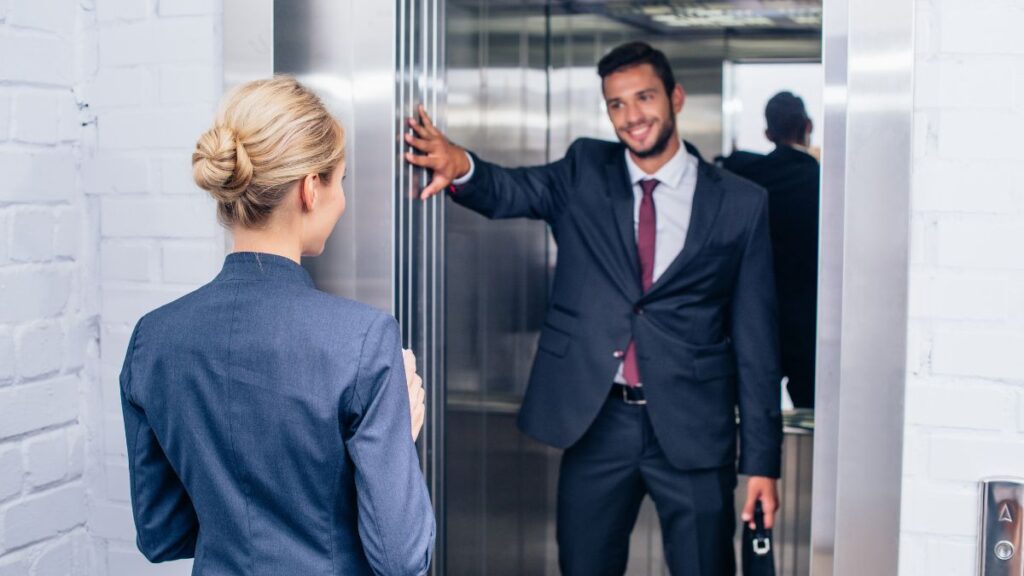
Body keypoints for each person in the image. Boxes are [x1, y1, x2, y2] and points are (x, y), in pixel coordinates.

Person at [404, 42, 781, 575]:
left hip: (696, 429)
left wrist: (763, 463)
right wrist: (460, 164)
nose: (632, 117)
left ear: (675, 97)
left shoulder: (740, 202)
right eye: (617, 104)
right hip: (598, 421)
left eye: (644, 98)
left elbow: (757, 340)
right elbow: (512, 189)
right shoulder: (584, 169)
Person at [119, 76, 434, 576]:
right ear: (311, 188)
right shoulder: (363, 339)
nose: (343, 200)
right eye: (341, 180)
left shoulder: (153, 338)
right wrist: (393, 442)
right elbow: (401, 559)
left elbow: (162, 534)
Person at [723, 91, 820, 408]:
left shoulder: (745, 177)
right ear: (809, 125)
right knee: (811, 417)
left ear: (768, 134)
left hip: (753, 320)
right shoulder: (822, 181)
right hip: (808, 323)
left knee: (748, 414)